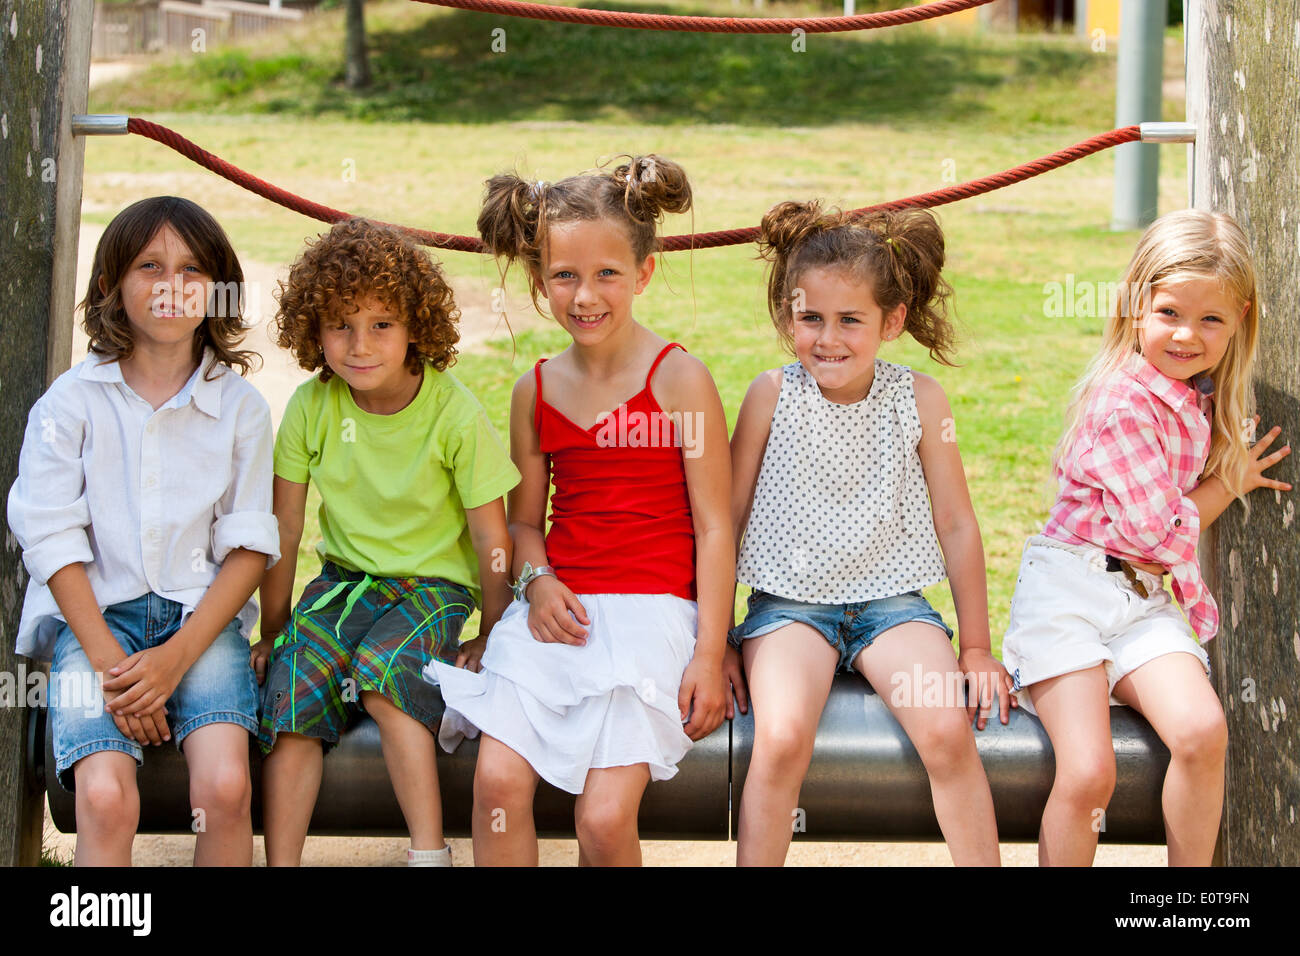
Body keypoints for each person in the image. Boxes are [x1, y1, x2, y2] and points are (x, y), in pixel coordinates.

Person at [428, 155, 740, 866]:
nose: (585, 295)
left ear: (644, 274)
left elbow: (716, 525)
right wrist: (533, 584)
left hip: (654, 616)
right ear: (540, 282)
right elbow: (524, 524)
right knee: (498, 788)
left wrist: (710, 650)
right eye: (564, 275)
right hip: (558, 611)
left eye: (607, 274)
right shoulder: (534, 389)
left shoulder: (680, 379)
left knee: (602, 820)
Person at [1002, 209, 1292, 866]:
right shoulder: (1124, 399)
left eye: (1211, 319)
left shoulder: (1197, 395)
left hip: (1140, 601)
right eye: (1169, 313)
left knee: (1201, 731)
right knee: (1088, 772)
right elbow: (1151, 536)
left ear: (1240, 317)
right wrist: (1229, 484)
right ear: (1135, 307)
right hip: (1071, 591)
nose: (1188, 334)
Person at [729, 201, 1009, 866]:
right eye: (810, 318)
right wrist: (711, 644)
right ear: (787, 317)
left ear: (892, 321)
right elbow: (725, 520)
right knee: (783, 735)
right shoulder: (770, 395)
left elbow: (957, 524)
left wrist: (975, 647)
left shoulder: (920, 399)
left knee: (946, 731)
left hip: (892, 607)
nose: (829, 337)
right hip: (788, 609)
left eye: (850, 320)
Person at [8, 196, 279, 865]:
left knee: (224, 787)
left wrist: (173, 660)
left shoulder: (239, 407)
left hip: (200, 624)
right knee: (104, 796)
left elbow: (248, 550)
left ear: (217, 291)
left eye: (192, 271)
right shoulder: (70, 403)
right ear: (110, 286)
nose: (171, 286)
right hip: (93, 627)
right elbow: (51, 542)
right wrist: (113, 667)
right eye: (149, 266)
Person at [251, 218, 518, 867]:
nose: (359, 345)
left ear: (415, 327)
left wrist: (495, 628)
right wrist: (276, 627)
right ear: (313, 327)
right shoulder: (312, 407)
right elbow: (285, 527)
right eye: (340, 324)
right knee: (291, 686)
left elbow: (491, 533)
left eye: (381, 325)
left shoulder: (453, 413)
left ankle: (429, 852)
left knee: (385, 676)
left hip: (434, 587)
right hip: (343, 582)